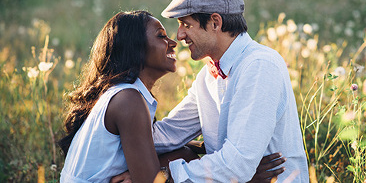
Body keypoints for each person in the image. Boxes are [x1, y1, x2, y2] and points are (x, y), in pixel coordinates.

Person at [58, 10, 282, 183]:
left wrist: (196, 148)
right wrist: (242, 179)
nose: (174, 41)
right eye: (161, 36)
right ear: (135, 48)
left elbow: (159, 140)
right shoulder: (128, 100)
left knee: (183, 154)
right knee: (183, 158)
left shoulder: (126, 95)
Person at [150, 0, 310, 183]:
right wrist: (112, 139)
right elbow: (169, 134)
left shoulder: (259, 65)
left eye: (186, 25)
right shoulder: (207, 76)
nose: (179, 35)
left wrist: (165, 174)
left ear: (215, 22)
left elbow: (237, 164)